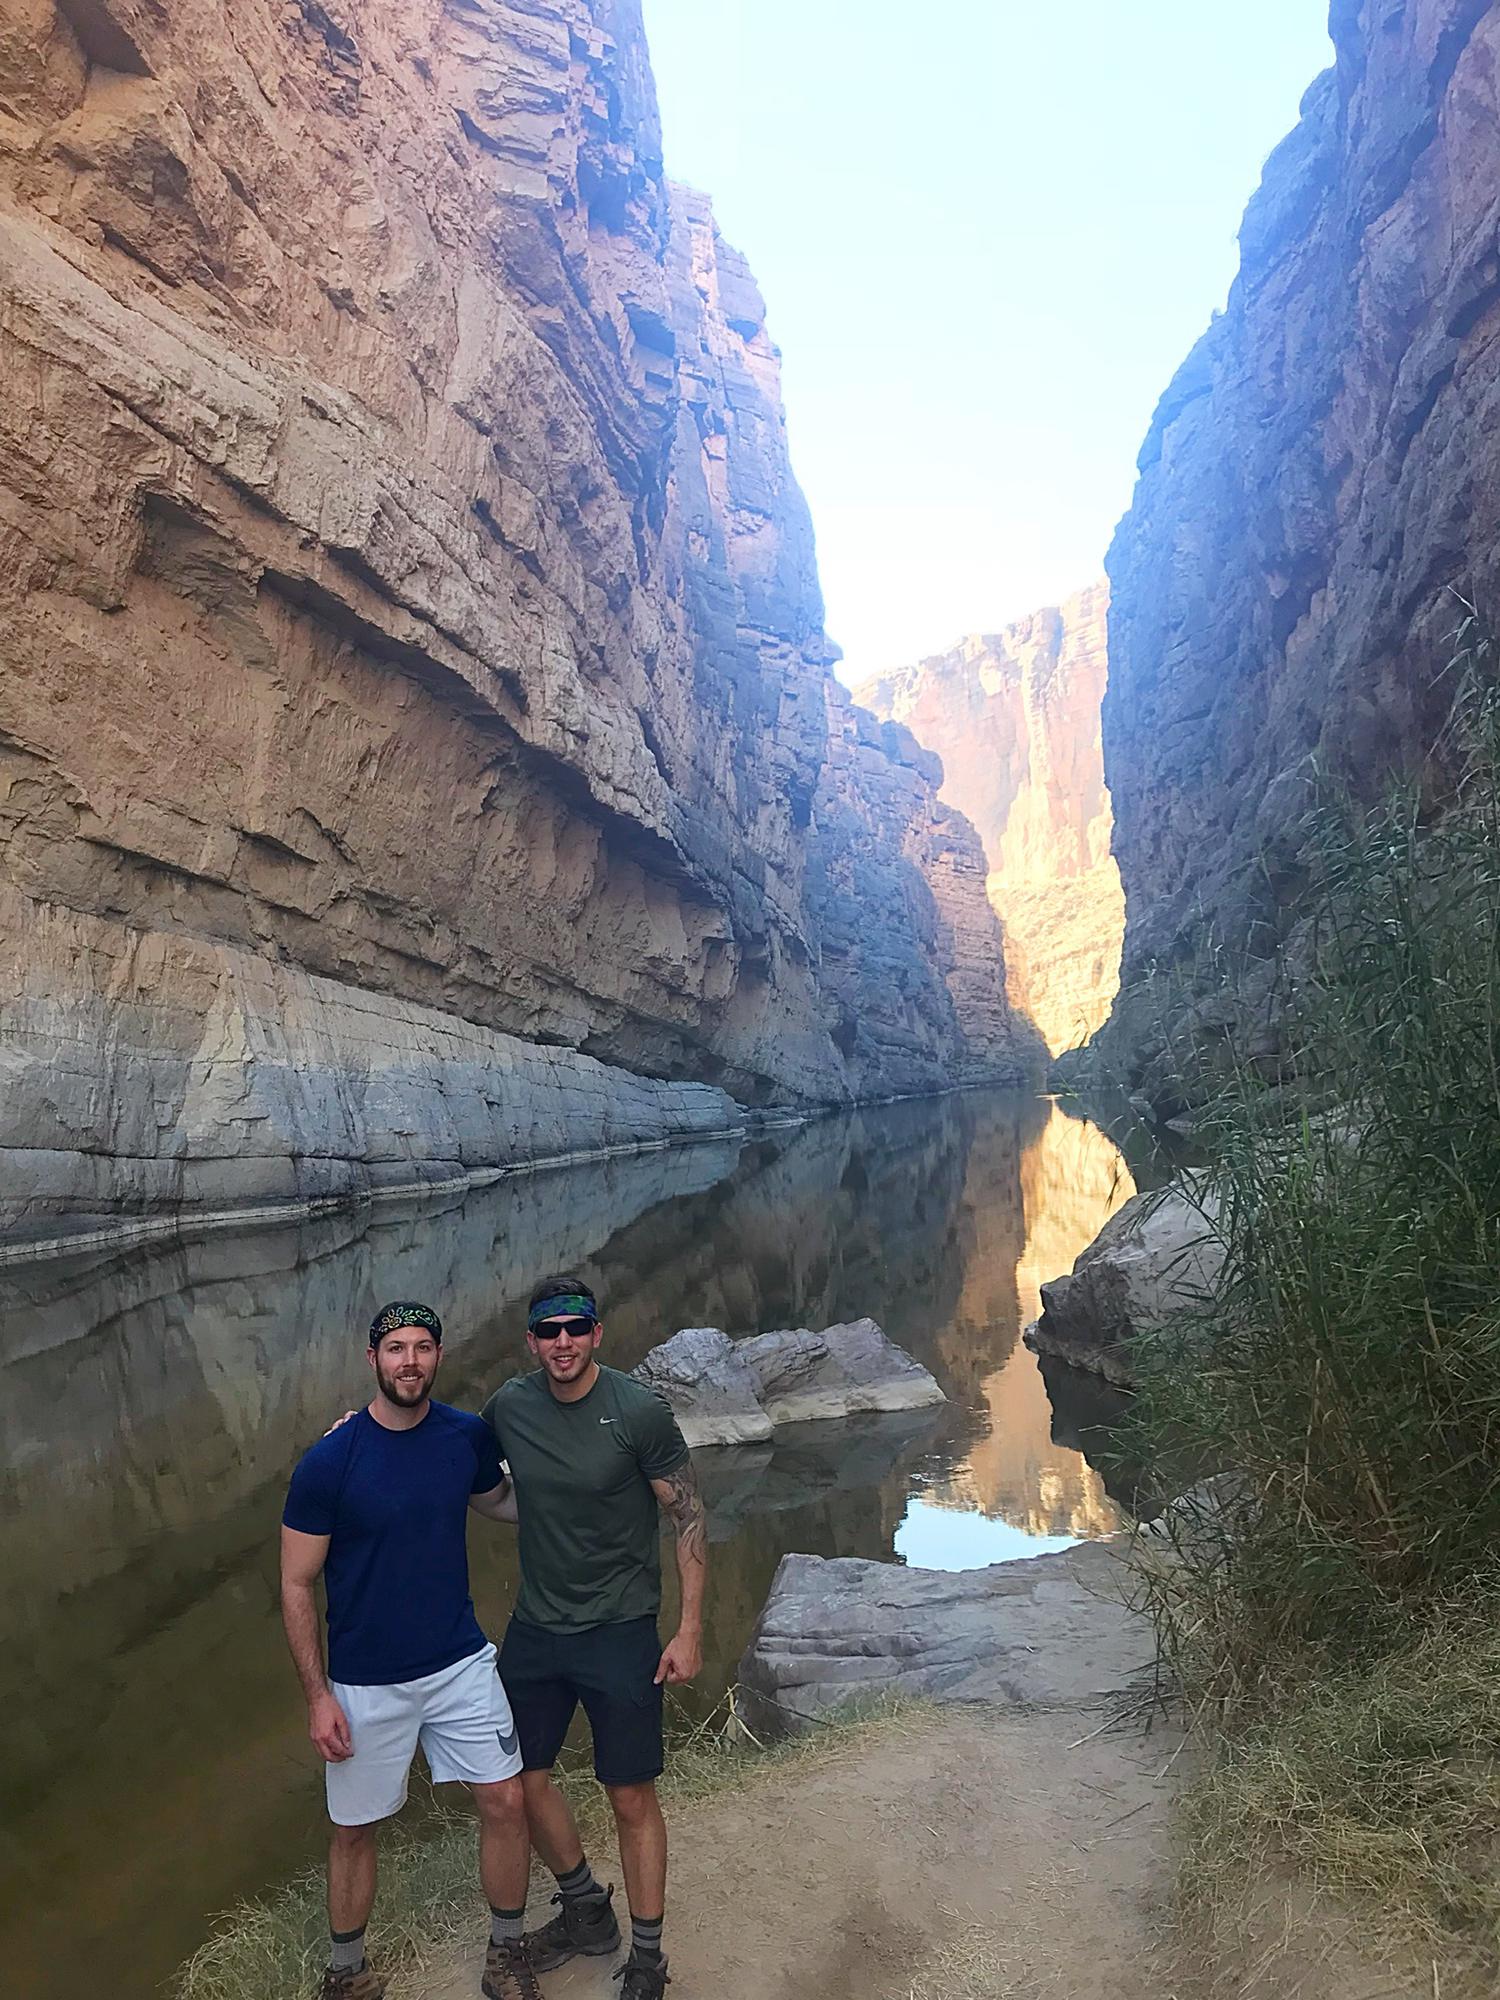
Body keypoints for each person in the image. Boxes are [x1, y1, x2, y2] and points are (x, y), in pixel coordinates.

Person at [280, 1301, 541, 2000]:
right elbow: (298, 1583)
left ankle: (506, 1952)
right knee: (354, 1830)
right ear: (373, 1359)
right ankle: (347, 1973)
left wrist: (589, 1479)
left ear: (438, 1357)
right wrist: (317, 1697)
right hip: (365, 1681)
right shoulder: (329, 1462)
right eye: (396, 1348)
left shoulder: (465, 1438)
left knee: (506, 1800)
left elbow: (506, 1503)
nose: (410, 1361)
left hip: (459, 1661)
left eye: (423, 1347)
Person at [481, 1275, 707, 2000]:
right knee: (519, 1782)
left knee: (630, 1795)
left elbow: (691, 1517)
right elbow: (444, 1454)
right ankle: (584, 1906)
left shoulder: (638, 1413)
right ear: (532, 1342)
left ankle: (647, 1958)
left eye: (576, 1328)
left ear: (597, 1333)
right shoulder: (509, 1406)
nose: (563, 1343)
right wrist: (357, 1430)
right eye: (549, 1331)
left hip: (620, 1631)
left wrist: (690, 1628)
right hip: (537, 1631)